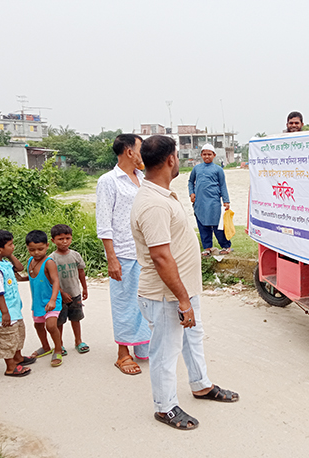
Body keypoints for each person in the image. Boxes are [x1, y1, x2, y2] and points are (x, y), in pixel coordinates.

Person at [132, 135, 239, 431]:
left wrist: (186, 296)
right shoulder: (153, 203)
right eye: (178, 156)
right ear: (170, 160)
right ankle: (164, 407)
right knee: (165, 351)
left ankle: (201, 385)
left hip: (182, 291)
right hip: (166, 295)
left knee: (192, 339)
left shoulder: (162, 194)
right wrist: (181, 300)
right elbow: (161, 258)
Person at [96, 134, 151, 375]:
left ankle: (142, 347)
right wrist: (112, 258)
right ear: (129, 151)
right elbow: (104, 222)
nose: (144, 153)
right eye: (141, 148)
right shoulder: (108, 181)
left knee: (145, 302)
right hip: (124, 252)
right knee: (124, 303)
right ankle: (123, 353)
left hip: (145, 252)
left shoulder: (142, 178)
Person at [0, 230, 36, 377]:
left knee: (18, 335)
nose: (13, 246)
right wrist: (4, 312)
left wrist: (9, 254)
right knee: (8, 339)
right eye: (10, 245)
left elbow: (19, 268)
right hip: (4, 313)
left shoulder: (3, 262)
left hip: (14, 310)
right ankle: (10, 366)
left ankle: (18, 357)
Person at [22, 230, 64, 367]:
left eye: (40, 249)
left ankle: (58, 349)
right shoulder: (30, 261)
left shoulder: (49, 262)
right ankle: (45, 346)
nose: (36, 252)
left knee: (51, 325)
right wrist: (22, 278)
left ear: (47, 246)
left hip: (51, 300)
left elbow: (56, 280)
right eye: (32, 250)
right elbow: (34, 276)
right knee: (38, 325)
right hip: (38, 302)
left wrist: (52, 300)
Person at [50, 224, 89, 355]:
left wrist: (84, 288)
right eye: (60, 239)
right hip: (59, 296)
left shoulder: (75, 255)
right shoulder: (52, 259)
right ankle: (59, 344)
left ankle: (78, 341)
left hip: (75, 293)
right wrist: (61, 292)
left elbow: (81, 272)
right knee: (59, 321)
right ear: (53, 241)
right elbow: (51, 279)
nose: (64, 241)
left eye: (67, 238)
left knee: (76, 319)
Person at [188, 143, 232, 257]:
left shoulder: (218, 169)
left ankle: (226, 246)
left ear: (214, 155)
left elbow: (223, 185)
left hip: (214, 202)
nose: (207, 156)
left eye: (209, 154)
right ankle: (207, 248)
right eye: (204, 154)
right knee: (203, 225)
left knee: (218, 226)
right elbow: (190, 182)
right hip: (200, 203)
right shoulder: (196, 168)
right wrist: (191, 193)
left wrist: (226, 201)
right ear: (201, 155)